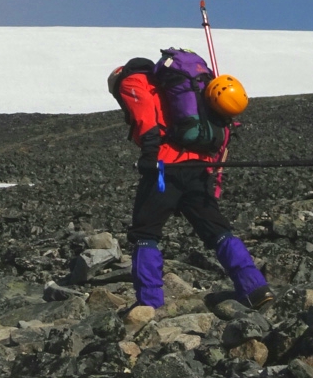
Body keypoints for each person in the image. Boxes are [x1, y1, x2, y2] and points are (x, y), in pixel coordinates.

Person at [108, 59, 273, 311]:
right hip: (198, 167)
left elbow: (145, 120)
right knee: (217, 230)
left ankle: (149, 304)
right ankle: (255, 288)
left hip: (165, 169)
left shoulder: (133, 82)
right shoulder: (178, 86)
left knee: (145, 234)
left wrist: (149, 158)